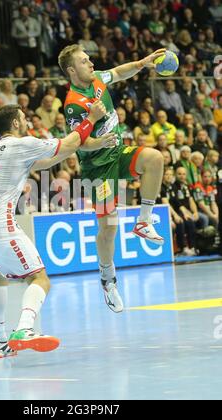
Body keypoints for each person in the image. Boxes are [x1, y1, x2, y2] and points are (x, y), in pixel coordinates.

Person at [0, 103, 116, 358]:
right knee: (39, 279)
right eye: (23, 118)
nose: (26, 122)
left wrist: (82, 146)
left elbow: (45, 162)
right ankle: (24, 329)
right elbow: (67, 143)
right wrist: (91, 118)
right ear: (15, 123)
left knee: (0, 275)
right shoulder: (21, 144)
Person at [59, 44, 165, 314]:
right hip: (97, 169)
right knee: (109, 228)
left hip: (117, 153)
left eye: (89, 59)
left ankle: (143, 221)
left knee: (154, 158)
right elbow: (78, 144)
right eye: (85, 61)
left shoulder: (96, 80)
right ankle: (108, 279)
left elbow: (118, 72)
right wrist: (99, 141)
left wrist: (142, 62)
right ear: (72, 70)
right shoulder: (74, 103)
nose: (91, 63)